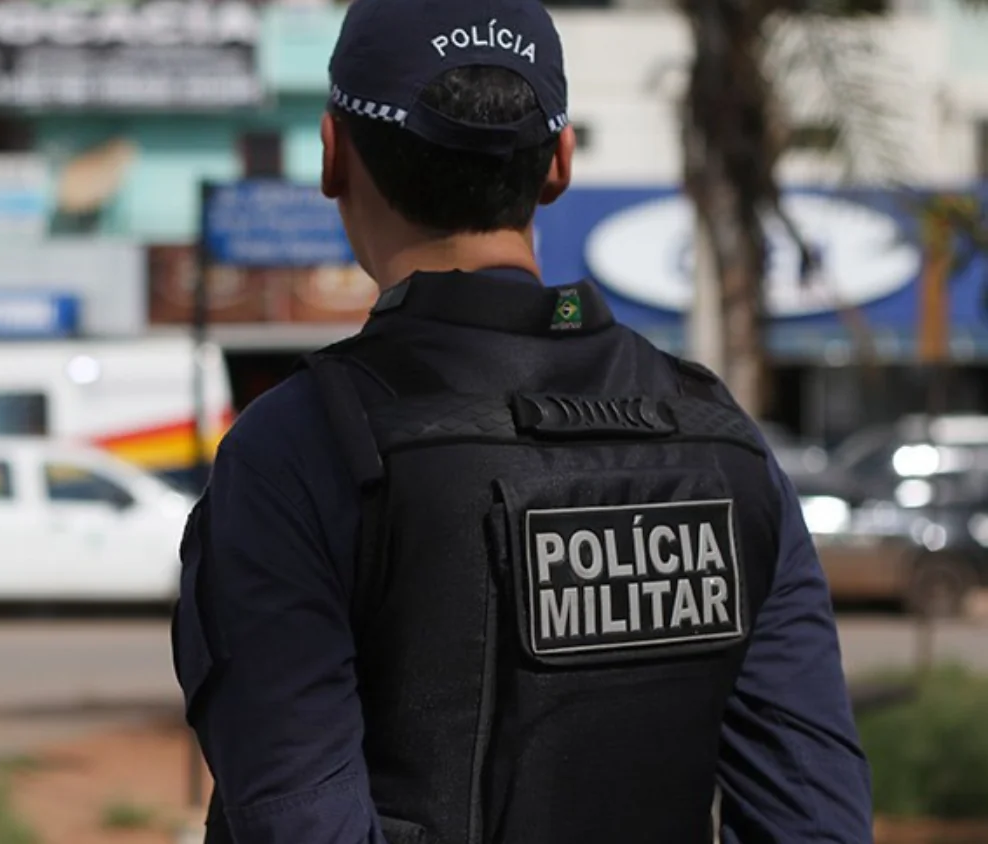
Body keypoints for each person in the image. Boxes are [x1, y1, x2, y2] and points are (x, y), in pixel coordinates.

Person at [170, 0, 873, 841]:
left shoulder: (299, 448)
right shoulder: (722, 442)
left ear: (333, 154)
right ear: (560, 162)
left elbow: (298, 818)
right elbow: (813, 814)